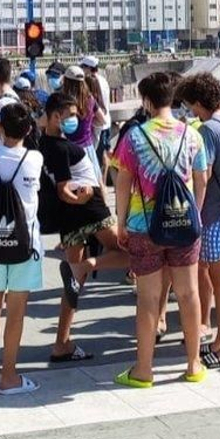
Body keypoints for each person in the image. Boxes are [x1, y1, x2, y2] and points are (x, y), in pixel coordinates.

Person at [112, 71, 210, 388]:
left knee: (148, 298)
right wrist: (194, 212)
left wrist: (122, 221)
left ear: (147, 101)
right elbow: (202, 179)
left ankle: (144, 370)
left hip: (144, 227)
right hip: (184, 224)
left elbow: (122, 184)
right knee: (189, 293)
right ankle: (194, 363)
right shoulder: (192, 135)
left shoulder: (135, 138)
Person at [44, 92, 128, 363]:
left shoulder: (44, 143)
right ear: (56, 116)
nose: (76, 119)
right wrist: (81, 197)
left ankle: (62, 342)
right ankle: (88, 265)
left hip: (69, 219)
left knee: (73, 284)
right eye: (70, 115)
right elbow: (63, 188)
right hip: (89, 208)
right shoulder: (59, 147)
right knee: (128, 253)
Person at [0, 103, 44, 394]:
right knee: (16, 310)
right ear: (27, 130)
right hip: (25, 243)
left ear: (0, 126)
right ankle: (10, 375)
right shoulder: (34, 158)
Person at [178, 72, 220, 369]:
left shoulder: (207, 131)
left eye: (189, 105)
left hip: (213, 213)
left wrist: (194, 212)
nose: (189, 111)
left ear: (196, 102)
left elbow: (202, 175)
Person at [81, 55, 114, 176]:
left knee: (99, 157)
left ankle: (102, 184)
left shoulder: (92, 81)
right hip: (106, 122)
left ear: (89, 68)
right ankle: (104, 182)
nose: (82, 70)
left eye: (83, 67)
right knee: (103, 154)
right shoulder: (103, 79)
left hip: (98, 124)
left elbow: (96, 103)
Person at [61, 66, 103, 153]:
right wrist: (88, 123)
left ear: (66, 81)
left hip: (69, 149)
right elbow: (102, 120)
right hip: (87, 148)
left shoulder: (63, 101)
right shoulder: (90, 99)